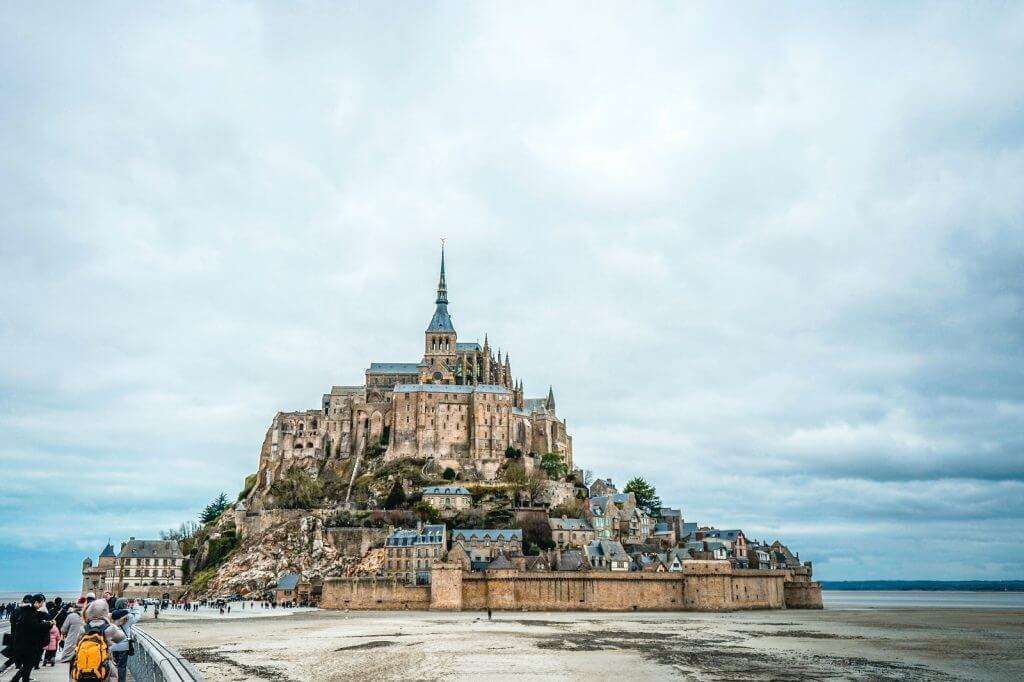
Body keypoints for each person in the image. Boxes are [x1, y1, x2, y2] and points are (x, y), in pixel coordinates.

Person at [76, 599, 125, 681]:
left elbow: (77, 643)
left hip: (85, 665)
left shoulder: (83, 628)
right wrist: (112, 622)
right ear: (105, 611)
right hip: (104, 663)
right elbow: (121, 637)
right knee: (113, 675)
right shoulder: (110, 628)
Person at [10, 594, 52, 682]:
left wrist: (48, 621)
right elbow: (35, 626)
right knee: (28, 666)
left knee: (27, 667)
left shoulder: (30, 611)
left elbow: (43, 616)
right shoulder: (29, 613)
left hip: (27, 644)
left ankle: (20, 680)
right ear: (36, 602)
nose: (42, 605)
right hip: (27, 644)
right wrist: (48, 624)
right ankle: (14, 680)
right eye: (41, 603)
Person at [108, 599, 142, 682]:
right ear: (125, 605)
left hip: (114, 643)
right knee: (122, 666)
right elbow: (137, 617)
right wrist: (136, 606)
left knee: (114, 664)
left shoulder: (111, 615)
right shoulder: (128, 616)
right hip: (123, 644)